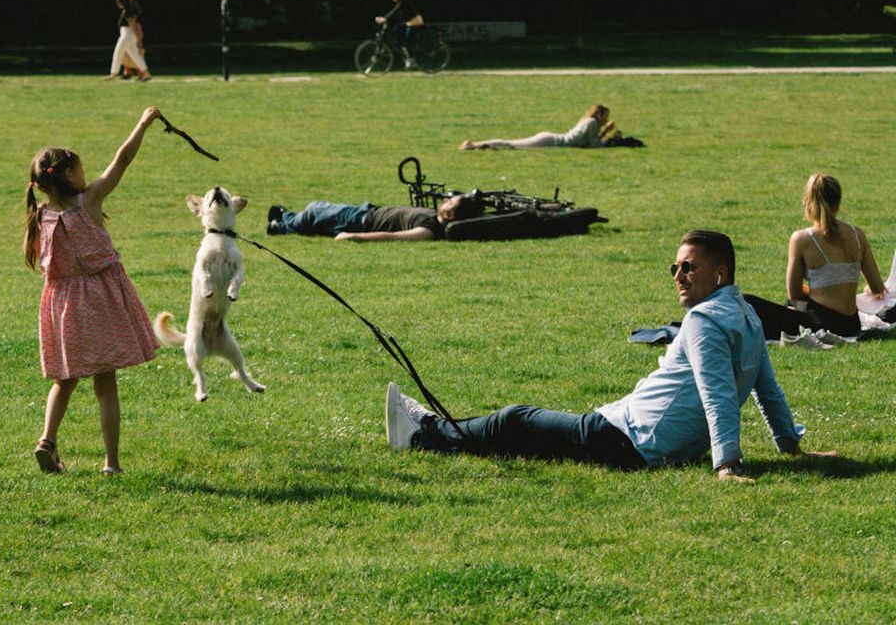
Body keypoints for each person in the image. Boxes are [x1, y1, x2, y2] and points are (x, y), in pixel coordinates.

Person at [385, 230, 838, 481]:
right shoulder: (749, 314)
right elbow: (766, 388)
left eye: (689, 267)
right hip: (643, 437)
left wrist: (726, 464)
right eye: (675, 267)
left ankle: (424, 433)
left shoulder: (705, 322)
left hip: (629, 441)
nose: (678, 275)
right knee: (525, 434)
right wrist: (791, 447)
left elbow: (718, 394)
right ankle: (438, 430)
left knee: (516, 420)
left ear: (719, 273)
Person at [23, 106, 163, 475]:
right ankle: (111, 463)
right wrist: (143, 122)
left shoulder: (40, 214)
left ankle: (47, 440)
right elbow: (123, 158)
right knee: (105, 383)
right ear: (69, 175)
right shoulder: (91, 201)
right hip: (99, 301)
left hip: (61, 305)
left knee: (64, 381)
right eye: (81, 168)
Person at [744, 173, 888, 341]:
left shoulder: (802, 238)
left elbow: (795, 294)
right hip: (851, 324)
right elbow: (878, 288)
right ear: (838, 202)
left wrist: (797, 311)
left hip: (821, 323)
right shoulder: (857, 235)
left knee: (746, 301)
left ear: (808, 202)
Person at [265, 195, 483, 242]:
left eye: (450, 202)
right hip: (366, 211)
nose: (445, 199)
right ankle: (284, 222)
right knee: (317, 217)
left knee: (315, 210)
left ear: (451, 214)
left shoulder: (428, 231)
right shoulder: (435, 219)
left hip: (360, 221)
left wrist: (354, 236)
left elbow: (393, 236)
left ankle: (284, 224)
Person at [460, 104, 620, 150]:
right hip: (551, 141)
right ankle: (473, 145)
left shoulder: (589, 122)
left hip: (550, 138)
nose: (606, 120)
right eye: (605, 116)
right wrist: (611, 138)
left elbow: (588, 142)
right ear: (599, 115)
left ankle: (476, 145)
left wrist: (605, 132)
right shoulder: (591, 123)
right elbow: (594, 145)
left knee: (511, 144)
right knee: (511, 145)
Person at [105, 0, 152, 82]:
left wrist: (138, 39)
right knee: (135, 55)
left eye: (119, 3)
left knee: (118, 53)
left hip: (127, 34)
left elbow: (133, 25)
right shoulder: (127, 11)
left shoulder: (127, 12)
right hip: (127, 34)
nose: (118, 5)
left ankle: (113, 74)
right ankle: (146, 73)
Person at [375, 0, 425, 69]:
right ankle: (404, 51)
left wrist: (385, 18)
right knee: (396, 30)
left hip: (416, 23)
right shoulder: (401, 3)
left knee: (407, 43)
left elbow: (395, 11)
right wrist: (386, 19)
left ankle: (411, 60)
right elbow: (396, 14)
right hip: (409, 22)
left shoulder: (403, 2)